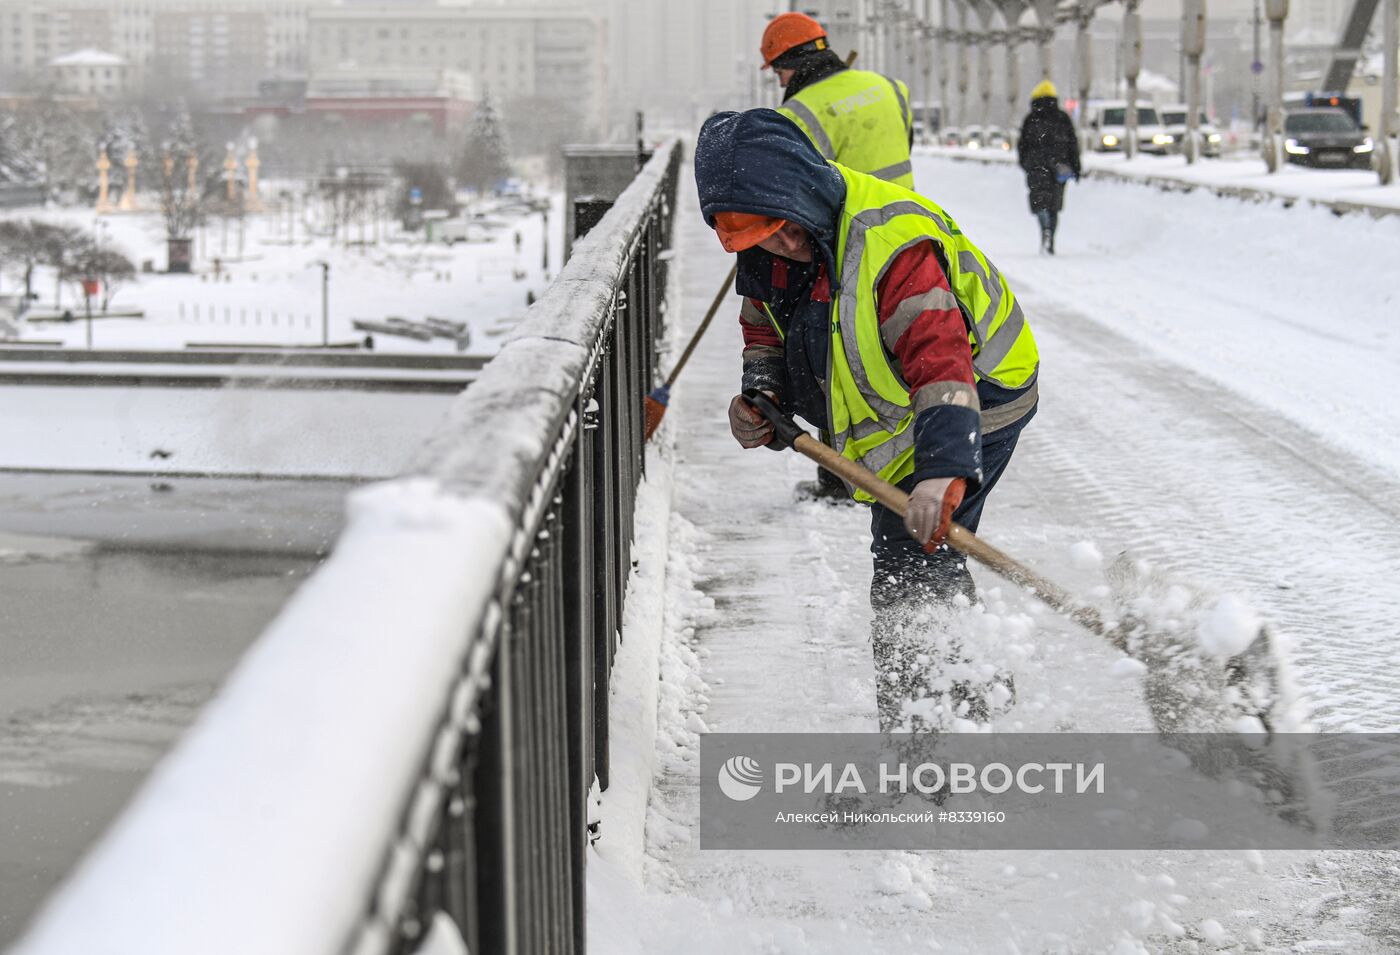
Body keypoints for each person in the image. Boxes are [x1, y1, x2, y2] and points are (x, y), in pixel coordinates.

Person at [696, 109, 1040, 731]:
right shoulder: (768, 247)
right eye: (760, 240)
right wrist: (762, 391)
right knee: (923, 557)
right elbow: (762, 326)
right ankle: (973, 697)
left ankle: (927, 750)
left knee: (911, 560)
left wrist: (942, 471)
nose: (782, 246)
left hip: (978, 397)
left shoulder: (892, 249)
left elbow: (941, 362)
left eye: (782, 229)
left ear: (800, 190)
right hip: (909, 406)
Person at [761, 11, 919, 500]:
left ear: (789, 63)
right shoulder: (889, 87)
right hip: (908, 234)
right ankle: (906, 463)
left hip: (844, 248)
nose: (780, 81)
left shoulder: (798, 114)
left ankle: (840, 478)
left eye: (778, 71)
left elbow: (796, 189)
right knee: (901, 352)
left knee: (838, 362)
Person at [1017, 79, 1081, 255]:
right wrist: (1076, 167)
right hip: (1059, 168)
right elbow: (1073, 145)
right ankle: (1051, 235)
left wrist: (1026, 164)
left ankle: (1044, 228)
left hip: (1036, 168)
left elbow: (1022, 145)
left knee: (1039, 203)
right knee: (1054, 205)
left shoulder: (1031, 119)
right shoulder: (1062, 118)